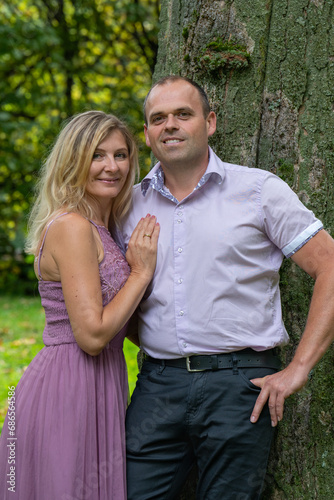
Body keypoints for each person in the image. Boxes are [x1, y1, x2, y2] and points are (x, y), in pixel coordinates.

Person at [120, 76, 334, 500]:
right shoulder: (127, 204)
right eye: (158, 118)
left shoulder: (258, 190)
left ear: (210, 122)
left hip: (240, 387)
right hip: (157, 385)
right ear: (147, 133)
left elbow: (330, 266)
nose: (170, 125)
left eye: (184, 114)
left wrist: (298, 369)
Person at [0, 110, 159, 500]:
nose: (111, 167)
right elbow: (91, 335)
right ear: (73, 162)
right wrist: (140, 274)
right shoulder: (72, 227)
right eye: (97, 155)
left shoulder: (104, 228)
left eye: (121, 155)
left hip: (102, 381)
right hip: (67, 386)